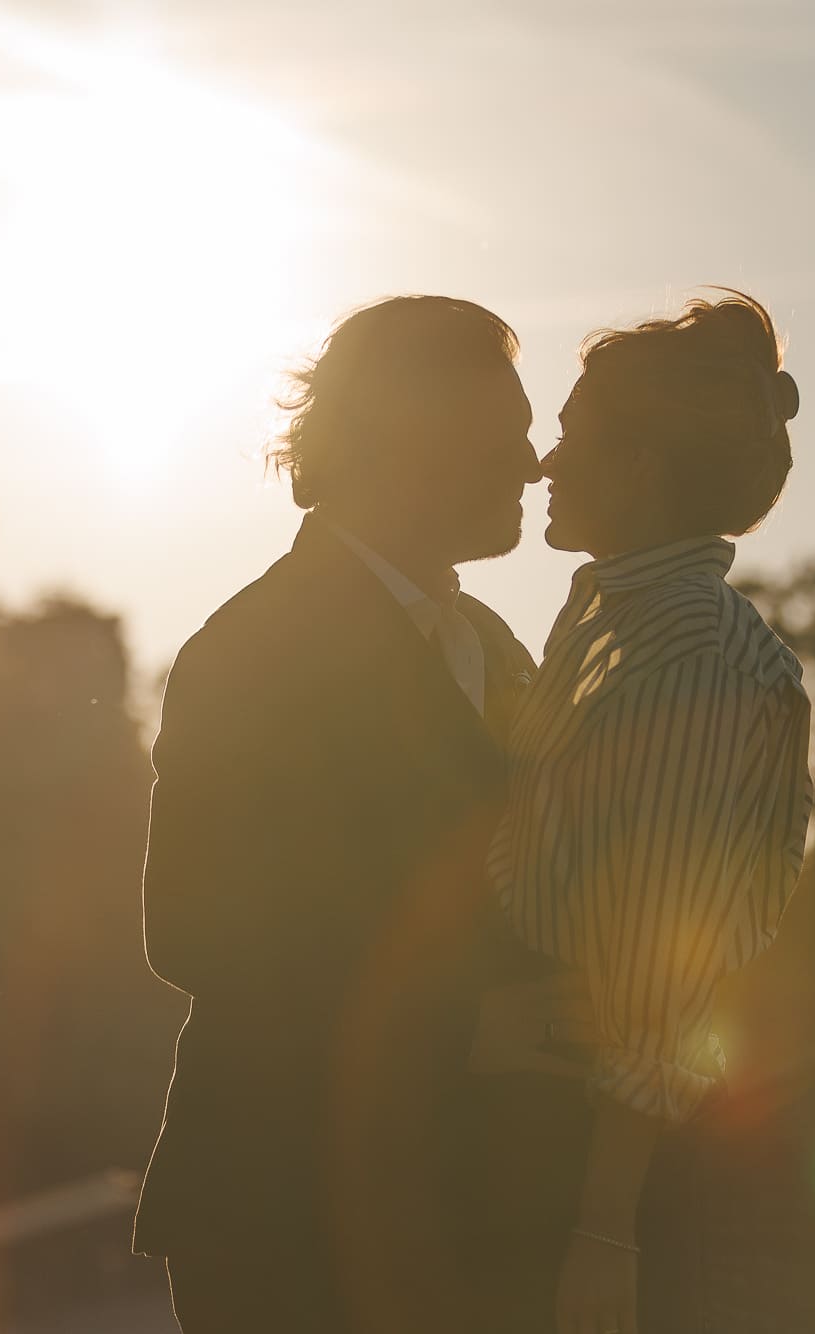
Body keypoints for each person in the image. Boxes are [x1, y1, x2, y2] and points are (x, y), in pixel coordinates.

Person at [131, 295, 591, 1331]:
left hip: (464, 1215)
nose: (531, 465)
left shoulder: (494, 644)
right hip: (286, 1212)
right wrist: (473, 1023)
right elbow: (196, 926)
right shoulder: (251, 648)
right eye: (508, 433)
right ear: (416, 435)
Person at [484, 289, 815, 1334]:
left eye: (571, 433)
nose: (544, 460)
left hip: (596, 1177)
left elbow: (649, 985)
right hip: (551, 1144)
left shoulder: (688, 651)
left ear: (636, 469)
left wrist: (600, 1234)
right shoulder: (611, 627)